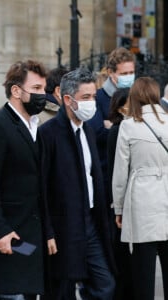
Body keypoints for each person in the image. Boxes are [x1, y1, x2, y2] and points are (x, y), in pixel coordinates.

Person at [39, 67, 116, 300]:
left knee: (105, 284)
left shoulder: (88, 131)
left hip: (91, 221)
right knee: (62, 290)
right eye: (85, 98)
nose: (91, 103)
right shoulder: (48, 133)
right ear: (67, 99)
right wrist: (48, 231)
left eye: (93, 97)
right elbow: (41, 186)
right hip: (64, 225)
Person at [0, 60, 48, 300]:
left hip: (29, 237)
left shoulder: (35, 125)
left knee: (27, 294)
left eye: (43, 89)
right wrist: (0, 233)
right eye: (36, 89)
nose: (42, 95)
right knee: (12, 294)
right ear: (16, 90)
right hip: (9, 235)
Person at [112, 77, 168, 300]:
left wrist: (118, 208)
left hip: (141, 204)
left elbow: (120, 174)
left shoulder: (128, 125)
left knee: (142, 276)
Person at [88, 47, 135, 191]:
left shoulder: (138, 97)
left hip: (134, 175)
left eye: (131, 73)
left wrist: (112, 126)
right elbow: (98, 133)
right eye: (124, 73)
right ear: (110, 73)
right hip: (107, 173)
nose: (129, 76)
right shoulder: (98, 97)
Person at [107, 88, 134, 300]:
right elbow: (113, 169)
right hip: (118, 201)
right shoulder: (117, 130)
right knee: (121, 254)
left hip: (127, 199)